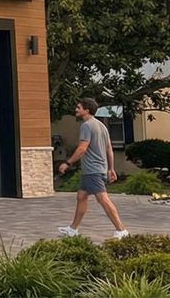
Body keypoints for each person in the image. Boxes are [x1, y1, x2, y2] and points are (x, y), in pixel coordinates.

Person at [56, 97, 128, 240]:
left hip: (93, 170)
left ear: (86, 110)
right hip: (98, 169)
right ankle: (72, 229)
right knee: (81, 196)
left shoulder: (87, 126)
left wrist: (68, 163)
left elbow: (83, 148)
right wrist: (111, 168)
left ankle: (121, 230)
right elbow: (109, 149)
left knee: (103, 199)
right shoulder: (102, 126)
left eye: (79, 107)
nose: (76, 109)